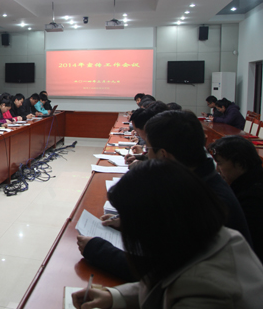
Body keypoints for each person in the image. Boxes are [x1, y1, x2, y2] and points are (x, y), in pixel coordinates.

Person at [78, 110, 252, 281]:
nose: (147, 155)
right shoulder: (198, 180)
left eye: (148, 149)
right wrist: (133, 224)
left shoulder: (205, 201)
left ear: (163, 155)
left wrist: (97, 249)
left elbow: (162, 272)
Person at [72, 159, 263, 309]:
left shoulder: (207, 291)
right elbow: (166, 279)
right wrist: (115, 296)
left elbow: (184, 285)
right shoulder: (210, 236)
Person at [209, 135, 263, 262]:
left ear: (239, 163)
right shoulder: (248, 182)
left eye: (220, 163)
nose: (217, 169)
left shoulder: (253, 199)